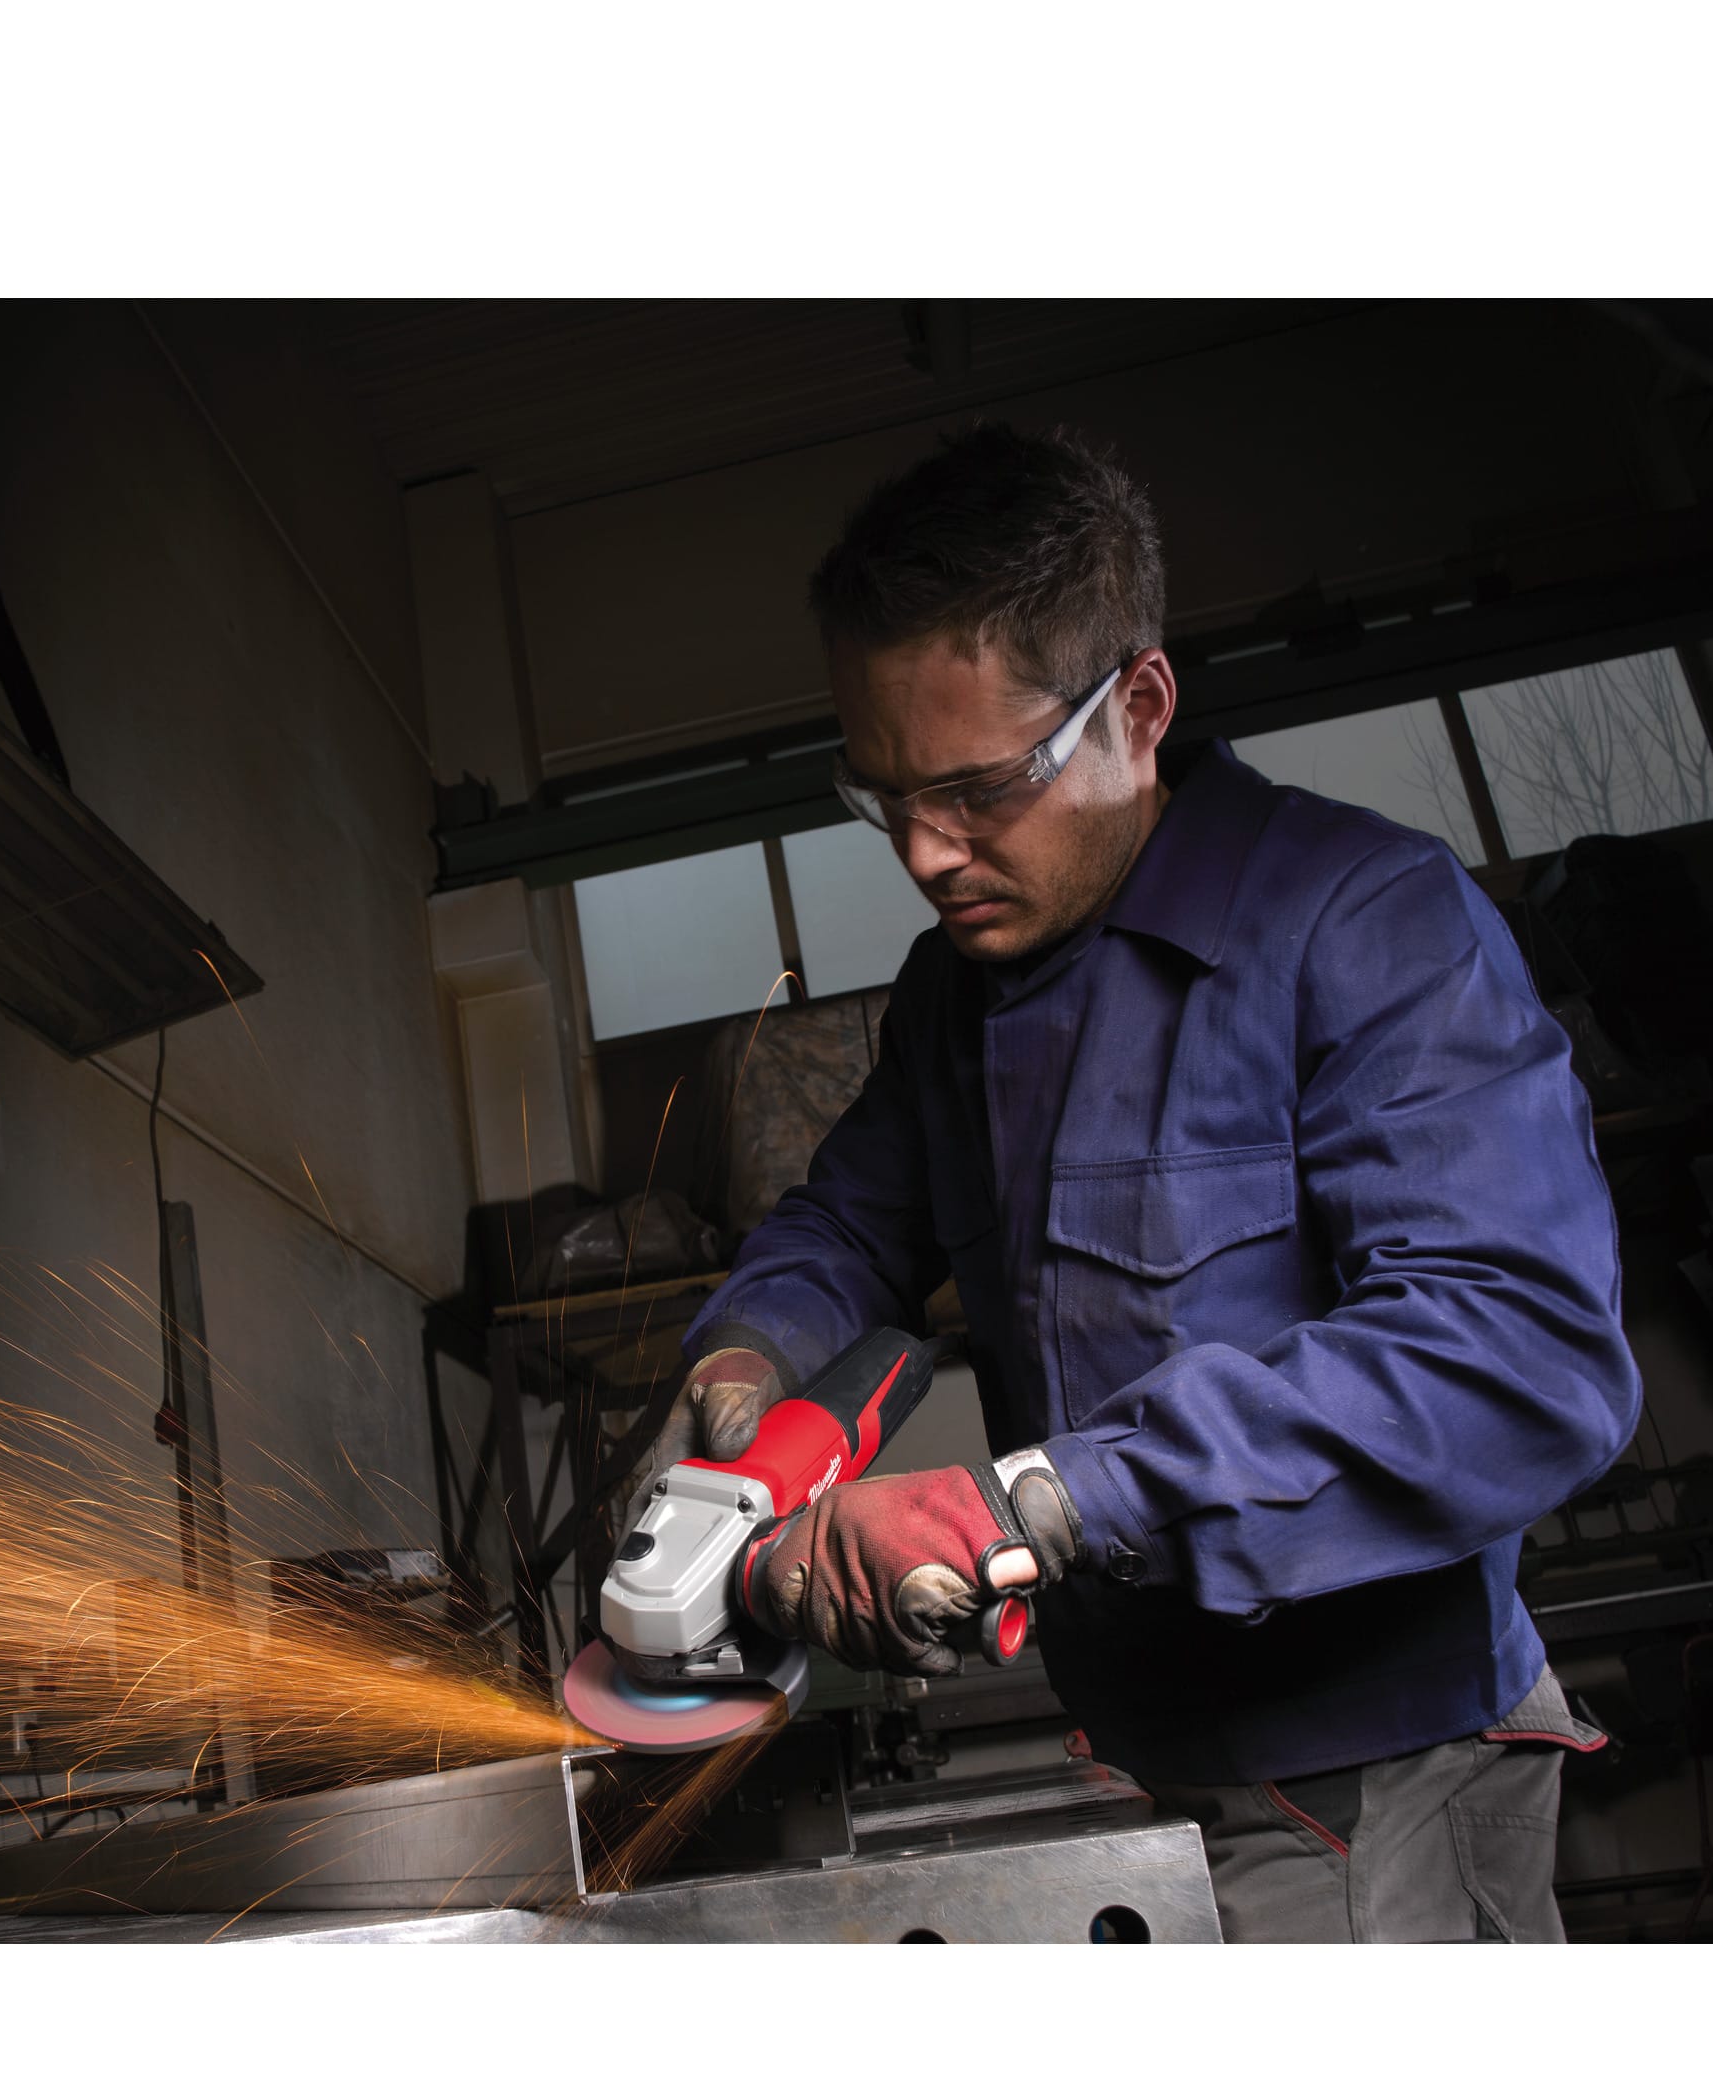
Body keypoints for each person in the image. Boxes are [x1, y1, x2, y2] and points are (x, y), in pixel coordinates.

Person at [645, 424, 1638, 1942]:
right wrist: (742, 1372)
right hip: (1141, 1754)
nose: (925, 853)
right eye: (883, 796)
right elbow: (847, 1225)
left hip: (1375, 1773)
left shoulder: (1365, 923)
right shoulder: (953, 996)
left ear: (1141, 708)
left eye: (978, 789)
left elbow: (1520, 1356)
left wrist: (1030, 1505)